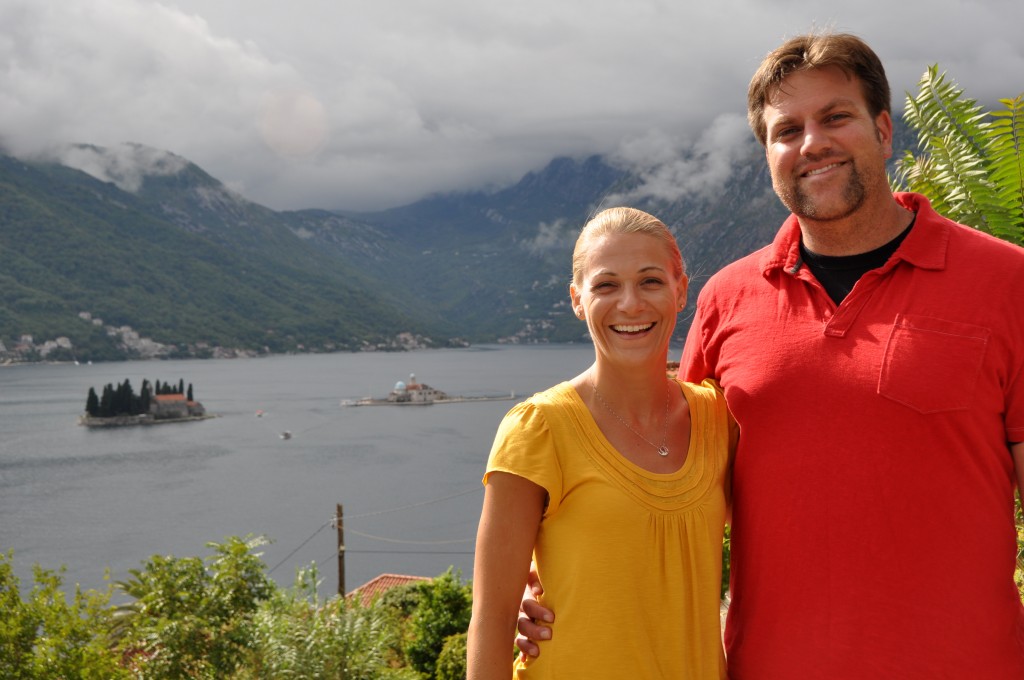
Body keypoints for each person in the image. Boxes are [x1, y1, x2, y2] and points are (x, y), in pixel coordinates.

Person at [515, 32, 1024, 679]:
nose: (811, 144)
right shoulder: (727, 299)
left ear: (885, 129)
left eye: (835, 117)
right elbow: (659, 481)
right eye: (786, 131)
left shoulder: (1008, 282)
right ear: (767, 155)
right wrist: (533, 583)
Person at [467, 207, 735, 679]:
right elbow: (491, 621)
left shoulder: (719, 417)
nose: (630, 304)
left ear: (681, 290)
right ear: (577, 299)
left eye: (650, 281)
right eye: (606, 285)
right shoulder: (539, 428)